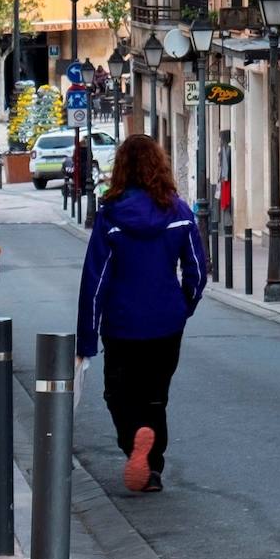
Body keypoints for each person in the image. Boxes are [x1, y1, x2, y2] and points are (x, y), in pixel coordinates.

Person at [77, 134, 206, 493]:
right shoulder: (179, 213)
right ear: (158, 166)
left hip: (121, 324)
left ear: (122, 169)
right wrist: (183, 306)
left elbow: (95, 279)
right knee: (155, 395)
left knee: (118, 394)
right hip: (167, 323)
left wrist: (86, 336)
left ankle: (135, 439)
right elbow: (197, 270)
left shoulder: (111, 217)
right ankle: (152, 468)